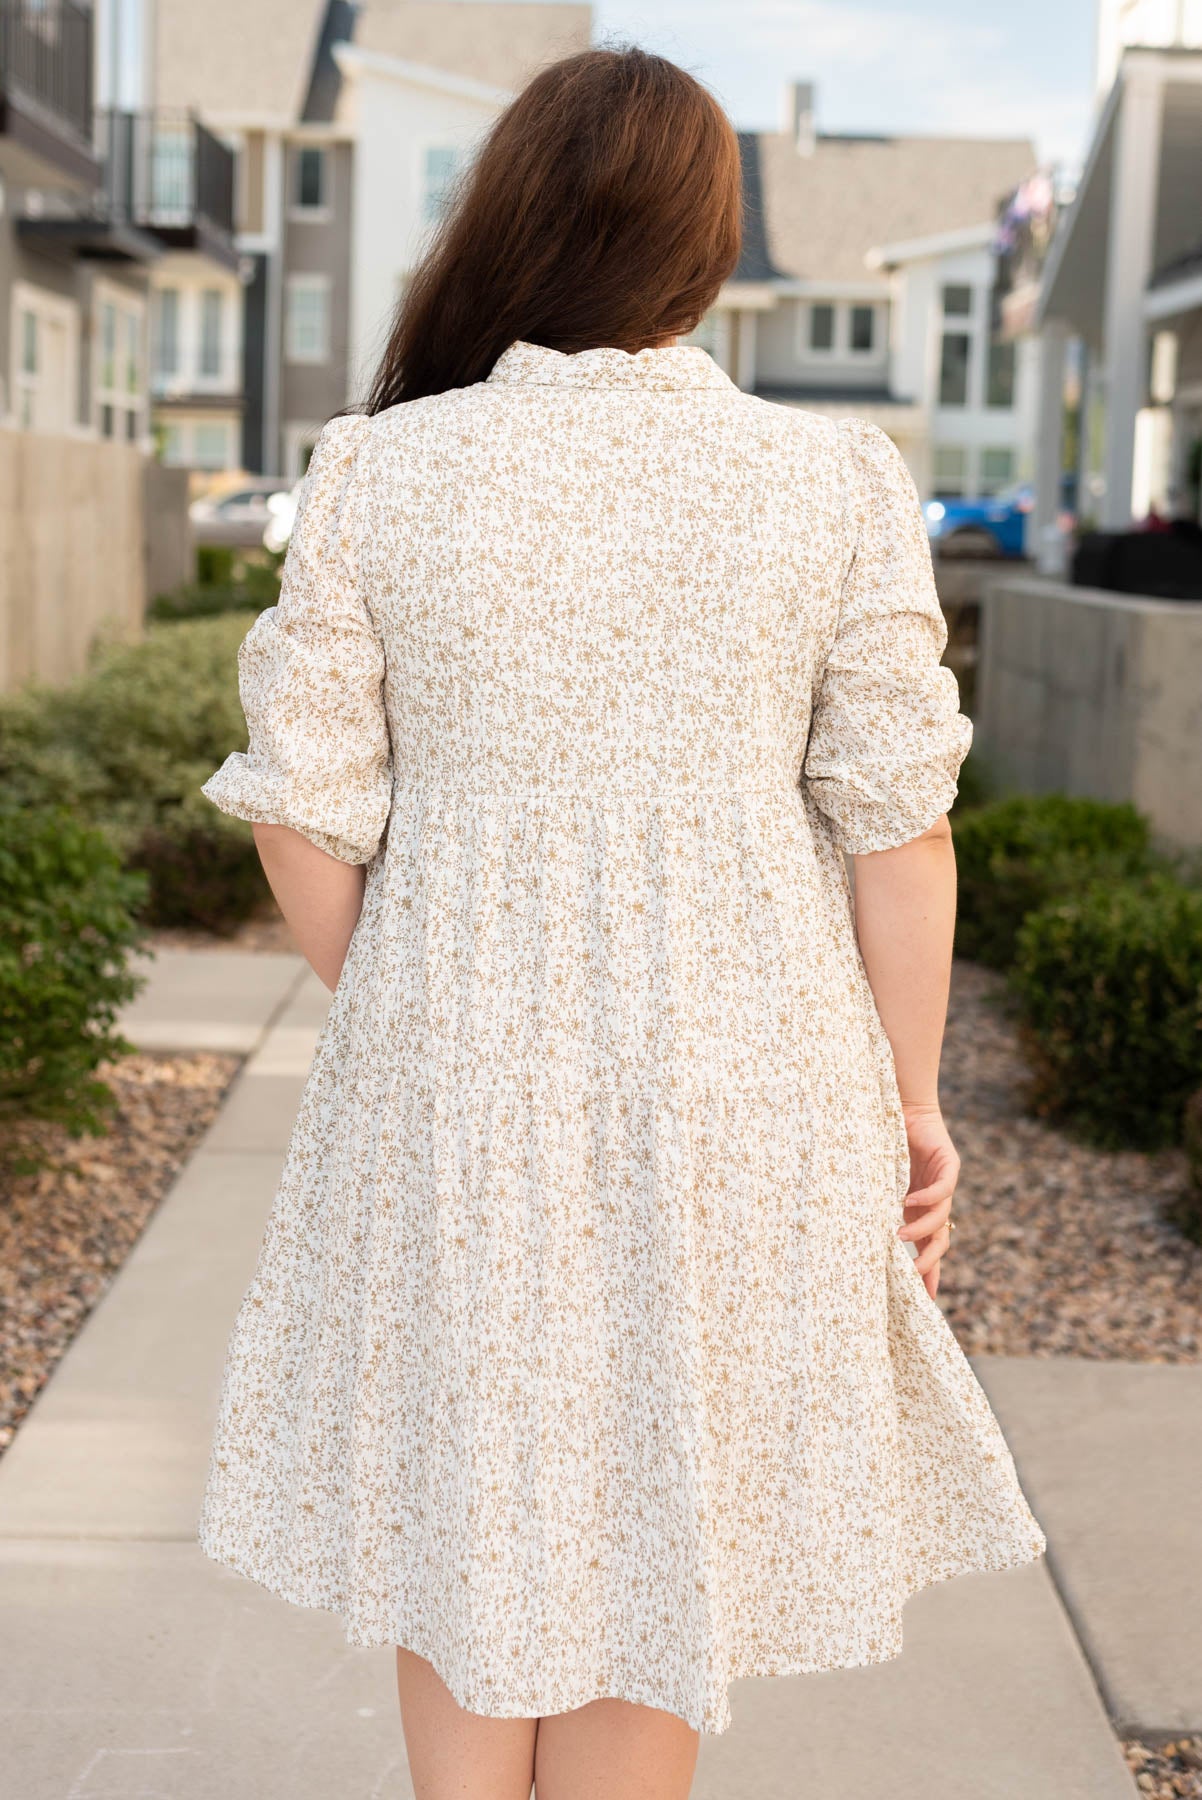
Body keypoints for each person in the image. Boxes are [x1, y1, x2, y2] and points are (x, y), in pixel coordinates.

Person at [198, 44, 1046, 1800]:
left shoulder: (381, 469)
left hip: (454, 1092)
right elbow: (901, 831)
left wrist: (424, 997)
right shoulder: (829, 481)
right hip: (750, 1081)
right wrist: (910, 1099)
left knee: (474, 1500)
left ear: (507, 217)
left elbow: (301, 813)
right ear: (706, 243)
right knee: (655, 1525)